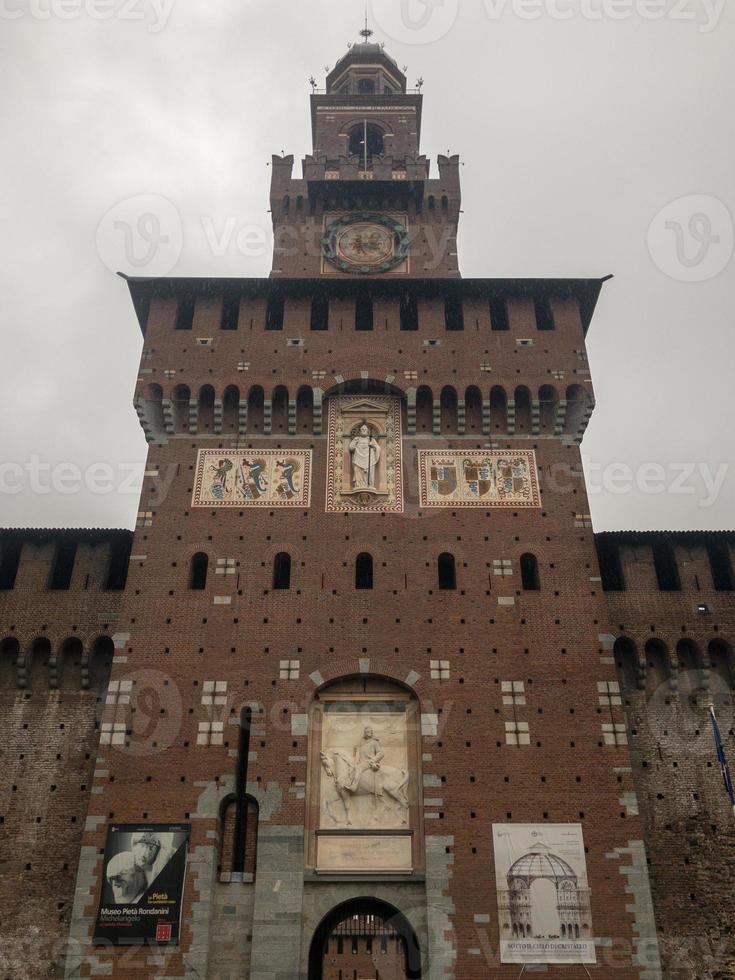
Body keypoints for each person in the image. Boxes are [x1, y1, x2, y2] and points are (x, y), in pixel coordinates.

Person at [346, 725, 384, 792]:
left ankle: (353, 787)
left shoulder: (374, 742)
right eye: (366, 732)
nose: (368, 733)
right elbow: (357, 752)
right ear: (365, 733)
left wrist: (372, 760)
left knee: (359, 768)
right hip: (362, 762)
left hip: (369, 762)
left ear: (371, 733)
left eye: (369, 731)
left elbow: (381, 754)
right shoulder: (361, 743)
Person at [349, 424, 380, 489]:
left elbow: (378, 448)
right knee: (358, 472)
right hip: (358, 459)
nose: (364, 430)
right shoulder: (356, 439)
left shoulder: (371, 439)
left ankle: (370, 485)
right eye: (362, 429)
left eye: (365, 429)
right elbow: (351, 448)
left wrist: (373, 446)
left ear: (367, 431)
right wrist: (355, 444)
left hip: (369, 459)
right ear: (360, 431)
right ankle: (359, 485)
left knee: (370, 472)